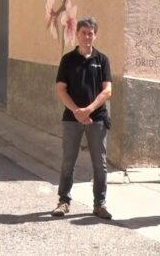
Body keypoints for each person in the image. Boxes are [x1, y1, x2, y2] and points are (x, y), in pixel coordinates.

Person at [51, 17, 113, 220]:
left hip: (97, 119)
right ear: (77, 34)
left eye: (91, 33)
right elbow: (60, 89)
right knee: (69, 161)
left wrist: (89, 110)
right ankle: (63, 201)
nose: (87, 36)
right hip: (71, 118)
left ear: (95, 35)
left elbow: (107, 91)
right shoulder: (67, 60)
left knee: (100, 163)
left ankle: (99, 204)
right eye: (83, 32)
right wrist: (77, 111)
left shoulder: (102, 60)